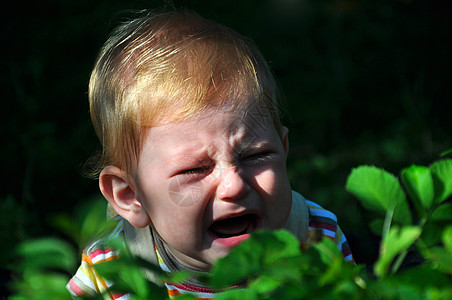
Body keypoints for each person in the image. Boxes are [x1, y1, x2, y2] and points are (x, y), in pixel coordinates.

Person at [67, 9, 353, 299]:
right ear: (130, 195)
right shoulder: (115, 269)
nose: (234, 185)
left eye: (257, 156)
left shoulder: (315, 238)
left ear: (284, 149)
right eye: (194, 170)